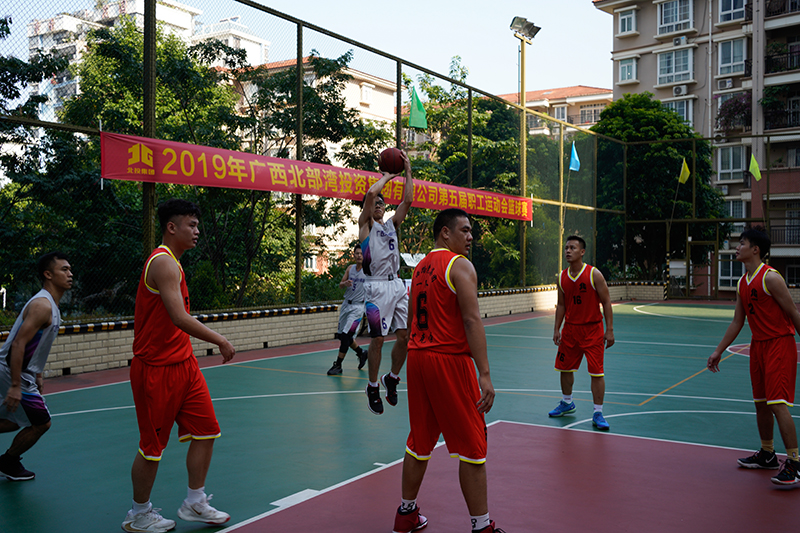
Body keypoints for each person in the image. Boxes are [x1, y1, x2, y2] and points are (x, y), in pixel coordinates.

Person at [122, 199, 236, 533]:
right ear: (172, 227)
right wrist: (220, 340)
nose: (197, 231)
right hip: (155, 370)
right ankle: (138, 514)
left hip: (184, 365)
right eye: (191, 225)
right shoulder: (163, 263)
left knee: (207, 431)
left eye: (197, 225)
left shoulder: (176, 263)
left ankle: (194, 502)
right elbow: (179, 317)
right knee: (152, 448)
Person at [394, 208, 501, 533]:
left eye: (471, 232)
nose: (470, 237)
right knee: (472, 446)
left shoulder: (421, 267)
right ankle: (482, 527)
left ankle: (406, 514)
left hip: (419, 358)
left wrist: (397, 368)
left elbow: (411, 321)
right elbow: (471, 320)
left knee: (419, 440)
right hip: (448, 361)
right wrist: (484, 372)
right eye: (465, 230)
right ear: (445, 232)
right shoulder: (460, 265)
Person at [708, 226, 800, 487]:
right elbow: (738, 321)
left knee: (777, 403)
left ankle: (795, 462)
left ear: (755, 249)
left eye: (742, 243)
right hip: (757, 347)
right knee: (761, 403)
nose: (737, 247)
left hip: (779, 345)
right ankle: (768, 454)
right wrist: (718, 351)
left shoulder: (771, 278)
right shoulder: (742, 282)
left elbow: (793, 313)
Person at [0, 252, 72, 481]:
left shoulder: (50, 304)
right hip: (13, 371)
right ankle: (8, 462)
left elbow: (36, 344)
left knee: (14, 421)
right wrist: (14, 384)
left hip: (19, 371)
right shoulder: (42, 305)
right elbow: (19, 343)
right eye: (64, 270)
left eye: (70, 270)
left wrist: (38, 373)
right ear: (48, 274)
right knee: (42, 423)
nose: (70, 274)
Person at [359, 149, 414, 415]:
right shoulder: (365, 227)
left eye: (383, 202)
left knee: (405, 336)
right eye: (376, 203)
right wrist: (388, 176)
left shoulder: (391, 224)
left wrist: (408, 172)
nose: (379, 203)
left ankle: (391, 378)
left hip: (397, 285)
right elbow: (370, 194)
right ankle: (372, 386)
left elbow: (408, 201)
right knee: (378, 340)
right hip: (376, 286)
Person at [548, 235, 615, 431]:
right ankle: (567, 402)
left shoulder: (594, 274)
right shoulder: (561, 277)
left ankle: (598, 412)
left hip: (593, 330)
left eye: (572, 248)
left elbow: (607, 302)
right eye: (566, 248)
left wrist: (609, 330)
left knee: (596, 372)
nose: (568, 251)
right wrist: (556, 328)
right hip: (570, 331)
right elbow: (561, 305)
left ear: (582, 252)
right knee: (564, 368)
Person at [327, 243, 369, 375]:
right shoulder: (350, 268)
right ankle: (361, 353)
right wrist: (344, 283)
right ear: (353, 255)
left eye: (361, 253)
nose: (359, 256)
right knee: (342, 335)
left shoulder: (368, 271)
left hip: (357, 307)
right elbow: (340, 285)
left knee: (346, 335)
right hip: (346, 305)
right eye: (357, 253)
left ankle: (338, 365)